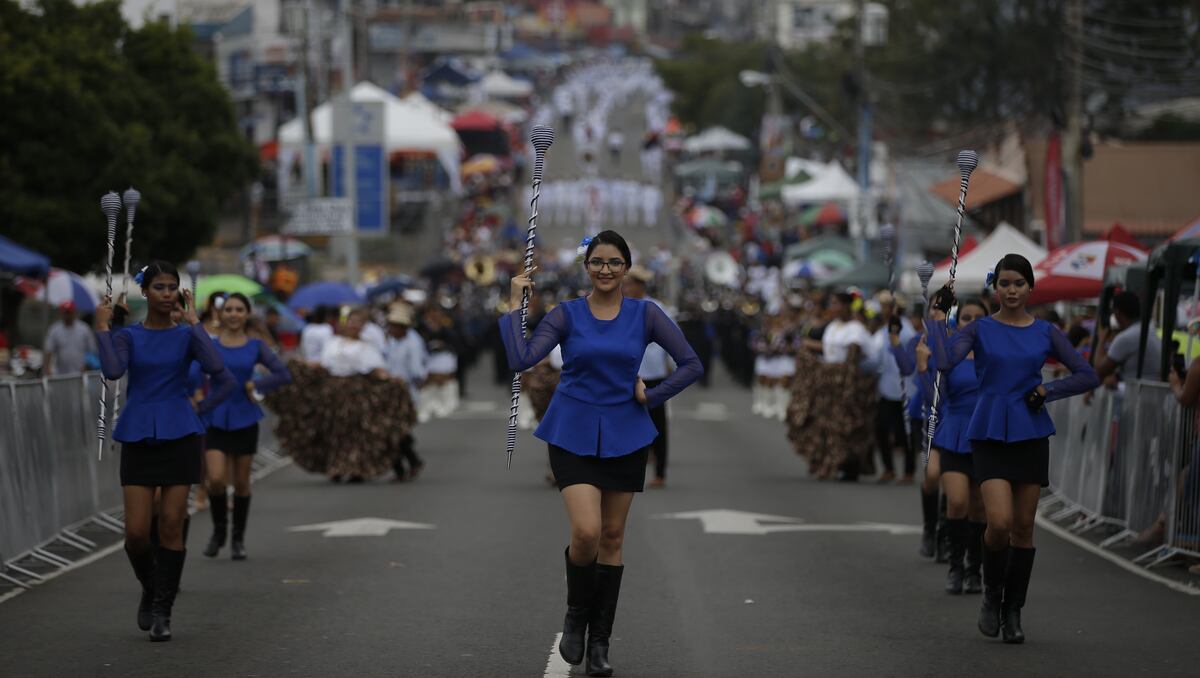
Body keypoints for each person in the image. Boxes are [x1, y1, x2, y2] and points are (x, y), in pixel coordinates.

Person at [501, 230, 702, 676]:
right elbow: (520, 359)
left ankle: (600, 643)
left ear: (626, 268)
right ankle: (576, 616)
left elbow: (691, 364)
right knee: (587, 533)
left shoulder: (646, 315)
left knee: (612, 539)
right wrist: (516, 304)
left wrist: (652, 394)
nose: (606, 269)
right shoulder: (566, 314)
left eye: (614, 262)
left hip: (625, 435)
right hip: (571, 430)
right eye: (597, 262)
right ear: (586, 267)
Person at [926, 254, 1098, 644]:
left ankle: (1013, 610)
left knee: (1023, 528)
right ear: (995, 287)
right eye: (1004, 283)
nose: (1012, 290)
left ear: (1030, 287)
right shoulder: (981, 329)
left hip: (1031, 433)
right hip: (987, 432)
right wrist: (937, 320)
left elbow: (1088, 374)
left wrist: (1047, 390)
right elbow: (943, 360)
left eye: (1019, 283)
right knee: (998, 523)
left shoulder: (1046, 331)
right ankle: (990, 594)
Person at [95, 261, 235, 642]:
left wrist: (194, 322)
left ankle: (162, 610)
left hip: (180, 433)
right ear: (146, 291)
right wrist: (103, 327)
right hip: (139, 433)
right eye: (159, 287)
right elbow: (111, 371)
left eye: (172, 287)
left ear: (181, 292)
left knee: (172, 524)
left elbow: (217, 367)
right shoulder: (129, 337)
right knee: (137, 534)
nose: (166, 293)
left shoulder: (188, 334)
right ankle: (151, 586)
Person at [197, 293, 291, 561]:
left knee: (241, 482)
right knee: (215, 479)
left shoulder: (256, 347)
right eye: (229, 309)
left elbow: (284, 374)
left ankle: (238, 539)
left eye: (239, 309)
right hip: (215, 416)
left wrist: (257, 385)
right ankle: (218, 532)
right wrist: (196, 392)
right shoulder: (210, 345)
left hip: (245, 417)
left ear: (247, 314)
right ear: (220, 314)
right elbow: (190, 371)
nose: (234, 314)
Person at [917, 298, 990, 594]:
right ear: (957, 322)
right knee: (957, 502)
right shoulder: (951, 355)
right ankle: (955, 567)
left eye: (978, 317)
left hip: (986, 435)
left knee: (980, 509)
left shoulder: (993, 355)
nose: (971, 321)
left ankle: (974, 570)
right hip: (954, 433)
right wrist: (923, 366)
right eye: (965, 316)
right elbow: (933, 399)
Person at [624, 265, 673, 488]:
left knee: (658, 423)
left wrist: (672, 365)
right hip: (628, 373)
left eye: (629, 284)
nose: (625, 288)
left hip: (653, 372)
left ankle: (660, 471)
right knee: (628, 421)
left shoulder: (658, 308)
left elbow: (674, 340)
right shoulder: (620, 307)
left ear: (640, 285)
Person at [872, 292, 917, 483]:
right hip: (886, 387)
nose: (882, 310)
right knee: (881, 428)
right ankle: (889, 468)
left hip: (905, 388)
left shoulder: (906, 331)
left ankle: (908, 471)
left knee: (905, 431)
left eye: (885, 306)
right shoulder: (883, 330)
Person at [384, 303, 428, 481]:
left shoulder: (413, 343)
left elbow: (417, 370)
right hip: (391, 390)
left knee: (395, 431)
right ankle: (406, 464)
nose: (391, 329)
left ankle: (406, 465)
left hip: (405, 391)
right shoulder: (393, 342)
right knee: (392, 430)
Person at [1094, 291, 1163, 383]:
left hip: (1135, 393)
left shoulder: (1127, 337)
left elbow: (1100, 370)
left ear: (1117, 313)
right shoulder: (1148, 329)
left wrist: (1101, 340)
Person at [43, 301, 97, 375]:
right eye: (65, 312)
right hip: (61, 373)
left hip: (81, 373)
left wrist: (87, 366)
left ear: (74, 312)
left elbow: (92, 350)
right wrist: (47, 369)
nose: (68, 315)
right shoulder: (55, 330)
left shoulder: (84, 329)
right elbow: (48, 350)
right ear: (61, 313)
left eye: (69, 312)